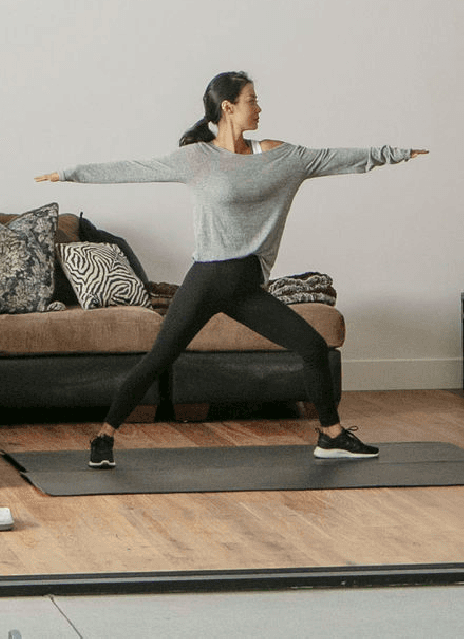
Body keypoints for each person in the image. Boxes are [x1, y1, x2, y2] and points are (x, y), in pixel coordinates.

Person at [36, 72, 428, 469]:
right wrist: (70, 173)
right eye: (252, 100)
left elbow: (332, 158)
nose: (259, 108)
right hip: (206, 280)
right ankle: (104, 436)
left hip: (245, 285)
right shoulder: (197, 159)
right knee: (158, 359)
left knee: (311, 347)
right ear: (228, 107)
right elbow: (134, 168)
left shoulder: (280, 157)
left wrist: (393, 152)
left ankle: (331, 435)